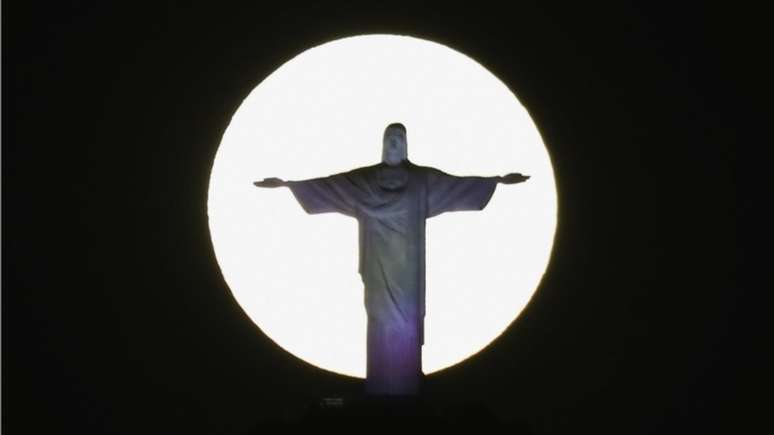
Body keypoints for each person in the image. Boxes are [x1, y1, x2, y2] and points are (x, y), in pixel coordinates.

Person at [254, 123, 529, 395]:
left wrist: (495, 181)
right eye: (390, 138)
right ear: (382, 143)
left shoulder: (422, 181)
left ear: (407, 144)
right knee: (379, 321)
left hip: (407, 271)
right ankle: (380, 384)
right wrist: (289, 185)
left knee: (406, 323)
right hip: (377, 268)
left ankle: (407, 384)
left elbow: (455, 186)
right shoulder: (364, 181)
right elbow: (331, 187)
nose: (394, 143)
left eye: (399, 138)